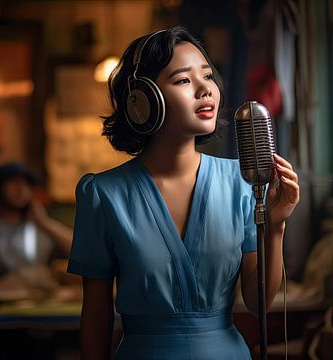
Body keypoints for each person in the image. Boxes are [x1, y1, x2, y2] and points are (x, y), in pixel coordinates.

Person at [67, 26, 299, 359]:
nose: (206, 89)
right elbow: (95, 315)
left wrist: (275, 226)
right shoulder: (103, 195)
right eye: (184, 80)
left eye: (207, 75)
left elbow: (258, 305)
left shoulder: (242, 183)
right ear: (141, 101)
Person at [0, 162, 73, 284]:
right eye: (13, 182)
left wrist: (44, 222)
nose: (20, 189)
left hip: (36, 292)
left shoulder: (39, 226)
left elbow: (80, 252)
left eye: (27, 184)